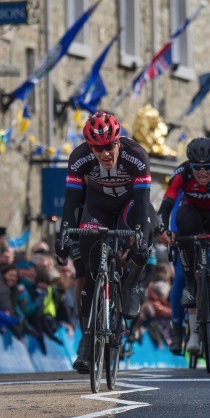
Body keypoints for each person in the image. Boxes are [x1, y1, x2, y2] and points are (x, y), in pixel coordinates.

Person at [56, 111, 155, 374]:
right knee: (90, 270)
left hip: (129, 205)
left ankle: (131, 284)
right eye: (98, 148)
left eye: (110, 146)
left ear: (119, 141)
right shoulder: (79, 158)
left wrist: (141, 236)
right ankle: (87, 342)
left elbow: (144, 203)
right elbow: (72, 201)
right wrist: (64, 233)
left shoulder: (137, 156)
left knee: (144, 238)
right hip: (97, 207)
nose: (105, 153)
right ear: (90, 147)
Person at [156, 137, 210, 357]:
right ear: (189, 165)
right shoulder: (180, 173)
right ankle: (191, 286)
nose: (202, 173)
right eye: (197, 168)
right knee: (184, 232)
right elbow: (165, 207)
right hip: (191, 216)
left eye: (207, 168)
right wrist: (163, 229)